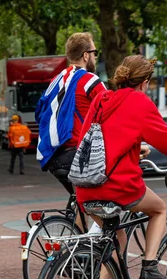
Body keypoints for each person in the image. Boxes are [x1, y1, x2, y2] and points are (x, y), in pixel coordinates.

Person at [75, 55, 167, 279]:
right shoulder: (140, 102)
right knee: (158, 210)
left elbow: (90, 141)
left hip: (85, 188)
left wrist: (132, 152)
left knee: (117, 237)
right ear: (145, 82)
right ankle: (150, 266)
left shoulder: (101, 99)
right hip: (118, 186)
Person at [36, 32, 106, 197]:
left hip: (52, 154)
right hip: (76, 154)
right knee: (108, 197)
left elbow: (40, 112)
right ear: (86, 56)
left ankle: (74, 221)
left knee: (81, 203)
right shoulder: (90, 80)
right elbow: (113, 113)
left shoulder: (56, 81)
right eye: (95, 53)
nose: (95, 58)